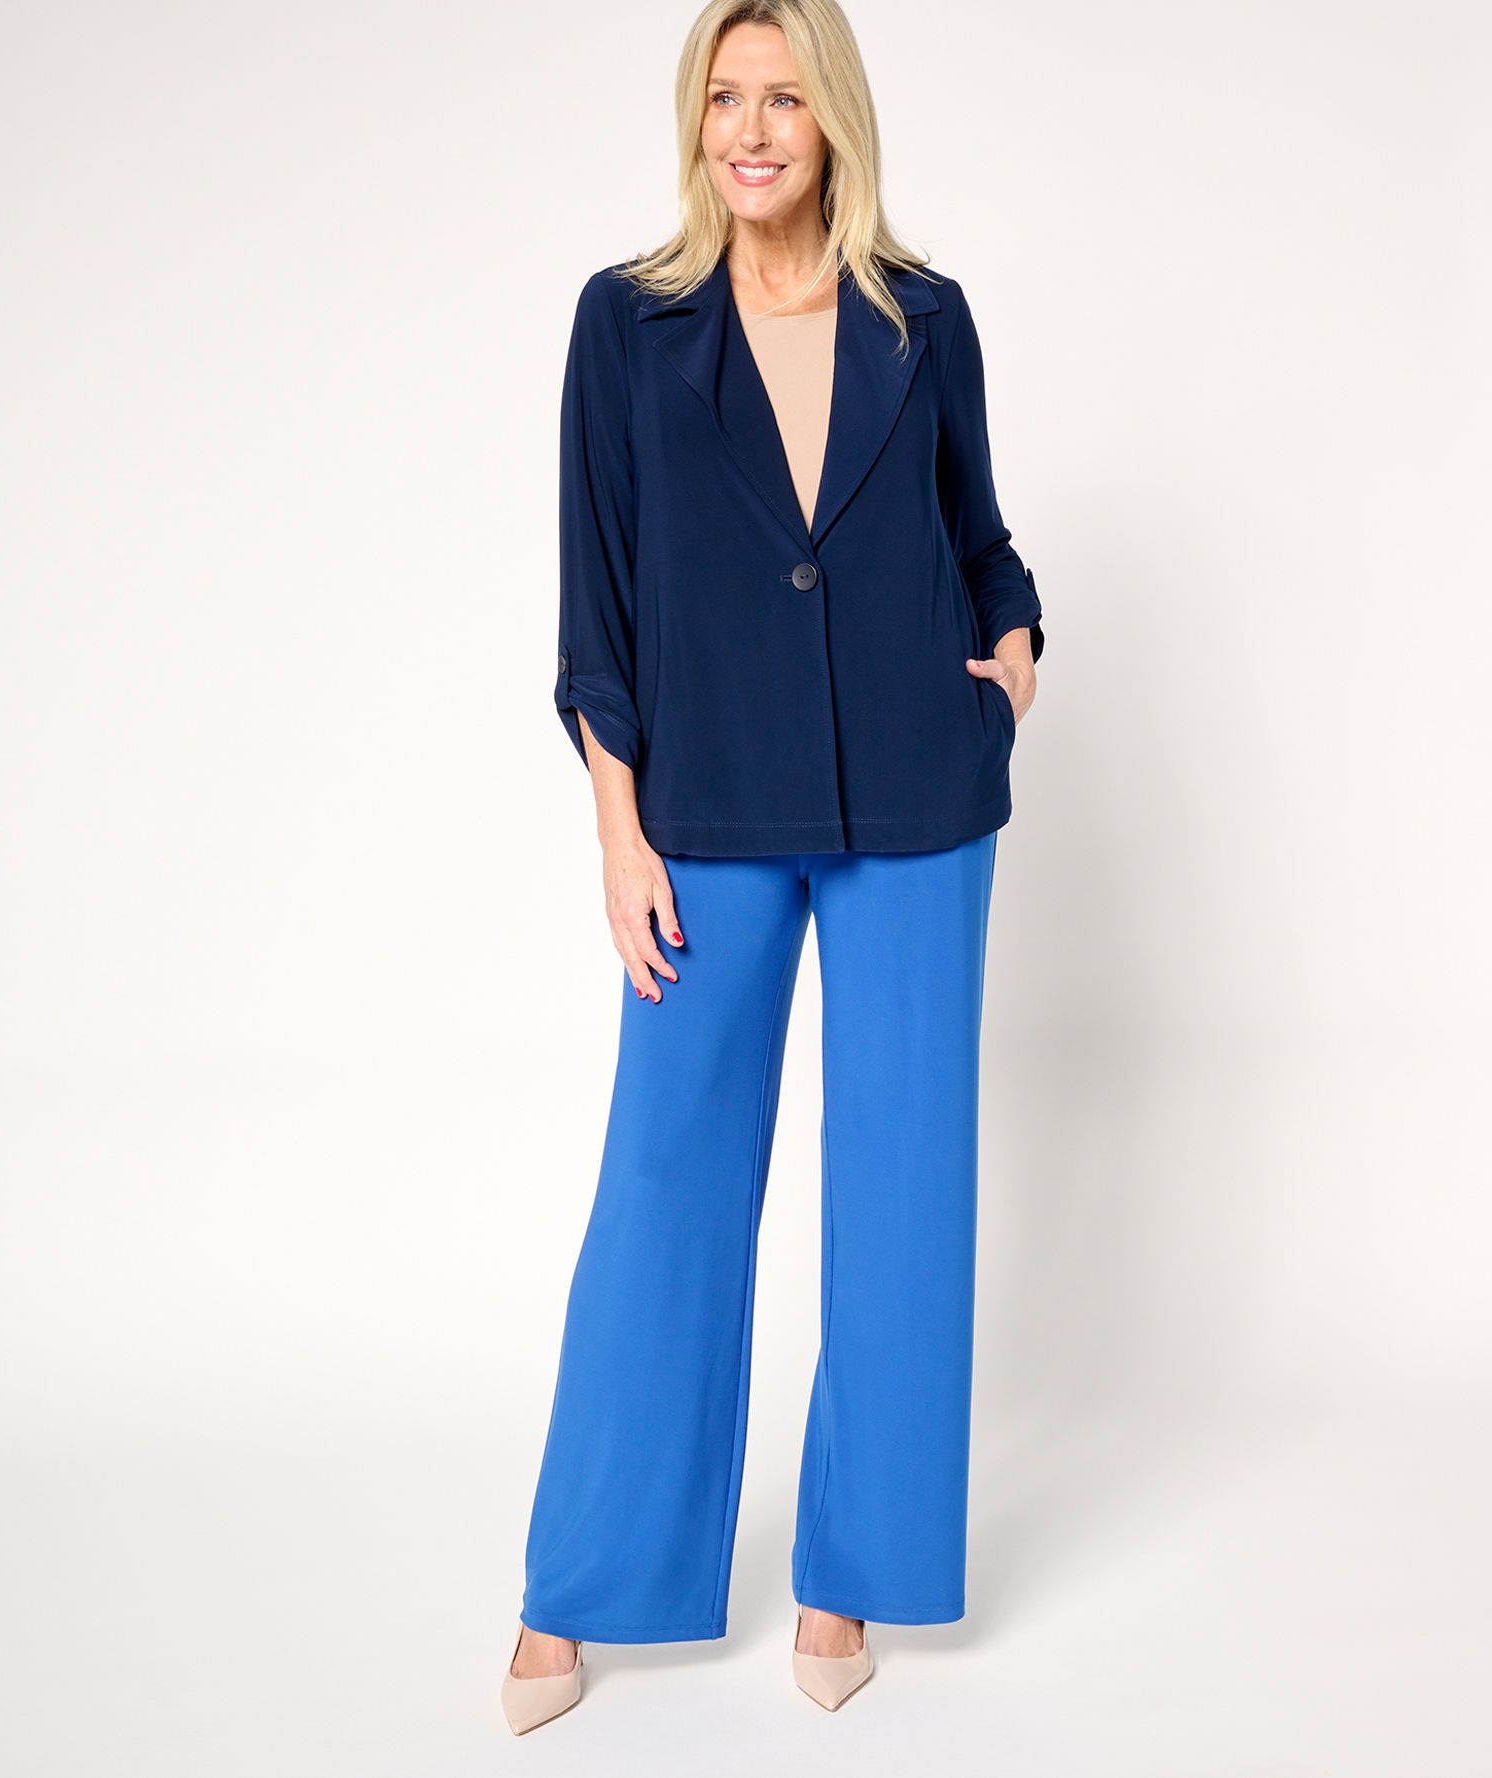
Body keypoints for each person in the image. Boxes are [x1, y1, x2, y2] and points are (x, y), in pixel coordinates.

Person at [502, 0, 1043, 1733]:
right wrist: (618, 826)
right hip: (707, 810)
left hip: (916, 804)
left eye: (784, 98)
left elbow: (981, 535)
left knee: (902, 1189)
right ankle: (584, 1580)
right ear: (696, 121)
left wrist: (1011, 662)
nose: (751, 129)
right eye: (724, 98)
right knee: (665, 1178)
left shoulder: (922, 318)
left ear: (834, 123)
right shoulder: (629, 323)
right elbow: (596, 601)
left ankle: (846, 1571)